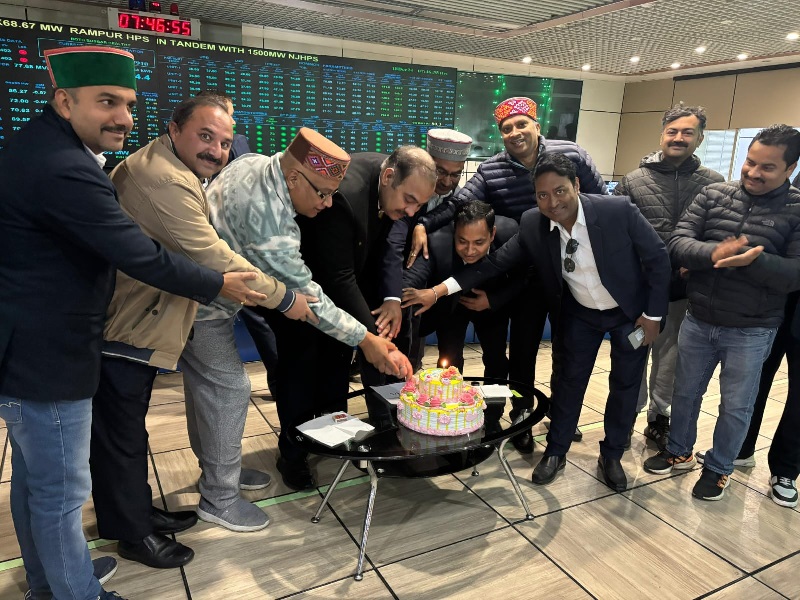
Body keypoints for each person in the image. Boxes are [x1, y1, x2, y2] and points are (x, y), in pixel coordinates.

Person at [0, 46, 260, 600]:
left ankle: (50, 583)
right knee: (60, 490)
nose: (122, 117)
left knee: (37, 483)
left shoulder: (44, 146)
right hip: (49, 353)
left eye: (129, 104)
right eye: (106, 102)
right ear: (64, 101)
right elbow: (139, 254)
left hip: (29, 346)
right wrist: (220, 283)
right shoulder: (66, 167)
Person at [91, 94, 316, 568]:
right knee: (127, 431)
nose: (216, 150)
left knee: (145, 422)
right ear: (174, 129)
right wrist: (285, 297)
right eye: (205, 136)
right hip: (132, 318)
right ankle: (153, 523)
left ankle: (141, 511)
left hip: (158, 310)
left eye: (224, 142)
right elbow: (211, 254)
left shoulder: (179, 166)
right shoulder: (164, 179)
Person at [404, 153, 670, 492]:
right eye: (543, 194)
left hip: (629, 314)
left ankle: (613, 454)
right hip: (581, 315)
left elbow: (658, 258)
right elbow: (493, 264)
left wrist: (653, 315)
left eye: (559, 191)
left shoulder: (616, 210)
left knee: (625, 385)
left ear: (576, 185)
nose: (552, 202)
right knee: (569, 383)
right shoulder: (534, 223)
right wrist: (437, 291)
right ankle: (556, 451)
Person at [198, 133, 415, 492]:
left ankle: (329, 439)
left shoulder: (255, 163)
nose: (328, 204)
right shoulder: (271, 224)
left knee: (328, 368)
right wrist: (366, 340)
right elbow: (308, 299)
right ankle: (268, 465)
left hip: (253, 287)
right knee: (271, 379)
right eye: (323, 194)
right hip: (208, 305)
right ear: (295, 177)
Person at [410, 97, 607, 453]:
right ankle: (521, 414)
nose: (515, 132)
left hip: (570, 271)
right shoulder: (491, 171)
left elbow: (602, 203)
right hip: (519, 272)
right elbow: (459, 204)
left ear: (537, 126)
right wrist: (423, 223)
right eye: (507, 128)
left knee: (567, 349)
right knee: (522, 351)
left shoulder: (571, 154)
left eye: (522, 124)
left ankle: (563, 416)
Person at [258, 146, 435, 488]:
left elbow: (377, 250)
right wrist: (371, 338)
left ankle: (332, 436)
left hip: (340, 292)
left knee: (336, 367)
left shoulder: (390, 183)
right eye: (409, 201)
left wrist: (385, 306)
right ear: (389, 177)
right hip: (302, 294)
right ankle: (292, 454)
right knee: (300, 371)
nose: (411, 212)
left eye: (419, 205)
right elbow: (338, 277)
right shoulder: (344, 197)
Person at [644, 124, 800, 502]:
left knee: (736, 405)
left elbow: (795, 274)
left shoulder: (796, 209)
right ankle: (679, 450)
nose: (753, 173)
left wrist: (752, 261)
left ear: (790, 169)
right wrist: (713, 253)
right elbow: (678, 242)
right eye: (750, 162)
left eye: (767, 167)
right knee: (685, 393)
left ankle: (719, 467)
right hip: (699, 317)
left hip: (752, 328)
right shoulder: (714, 194)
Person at [615, 104, 725, 449]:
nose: (679, 138)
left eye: (687, 132)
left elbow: (718, 233)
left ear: (700, 138)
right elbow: (616, 236)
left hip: (684, 290)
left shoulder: (714, 183)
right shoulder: (633, 181)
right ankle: (626, 414)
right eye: (672, 131)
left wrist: (699, 260)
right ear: (662, 134)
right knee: (633, 353)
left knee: (670, 360)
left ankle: (659, 417)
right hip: (639, 290)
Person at [402, 200, 522, 377]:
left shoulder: (510, 234)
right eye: (462, 241)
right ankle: (448, 394)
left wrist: (493, 300)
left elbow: (523, 278)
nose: (470, 250)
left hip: (492, 301)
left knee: (496, 358)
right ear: (454, 232)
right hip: (452, 306)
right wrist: (395, 298)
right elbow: (413, 276)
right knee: (449, 360)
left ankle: (495, 396)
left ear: (492, 234)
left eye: (479, 242)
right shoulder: (438, 241)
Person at [385, 128, 473, 365]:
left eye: (455, 174)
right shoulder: (405, 192)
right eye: (440, 171)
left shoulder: (461, 200)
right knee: (406, 351)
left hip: (444, 288)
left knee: (450, 358)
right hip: (402, 280)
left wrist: (423, 225)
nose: (447, 181)